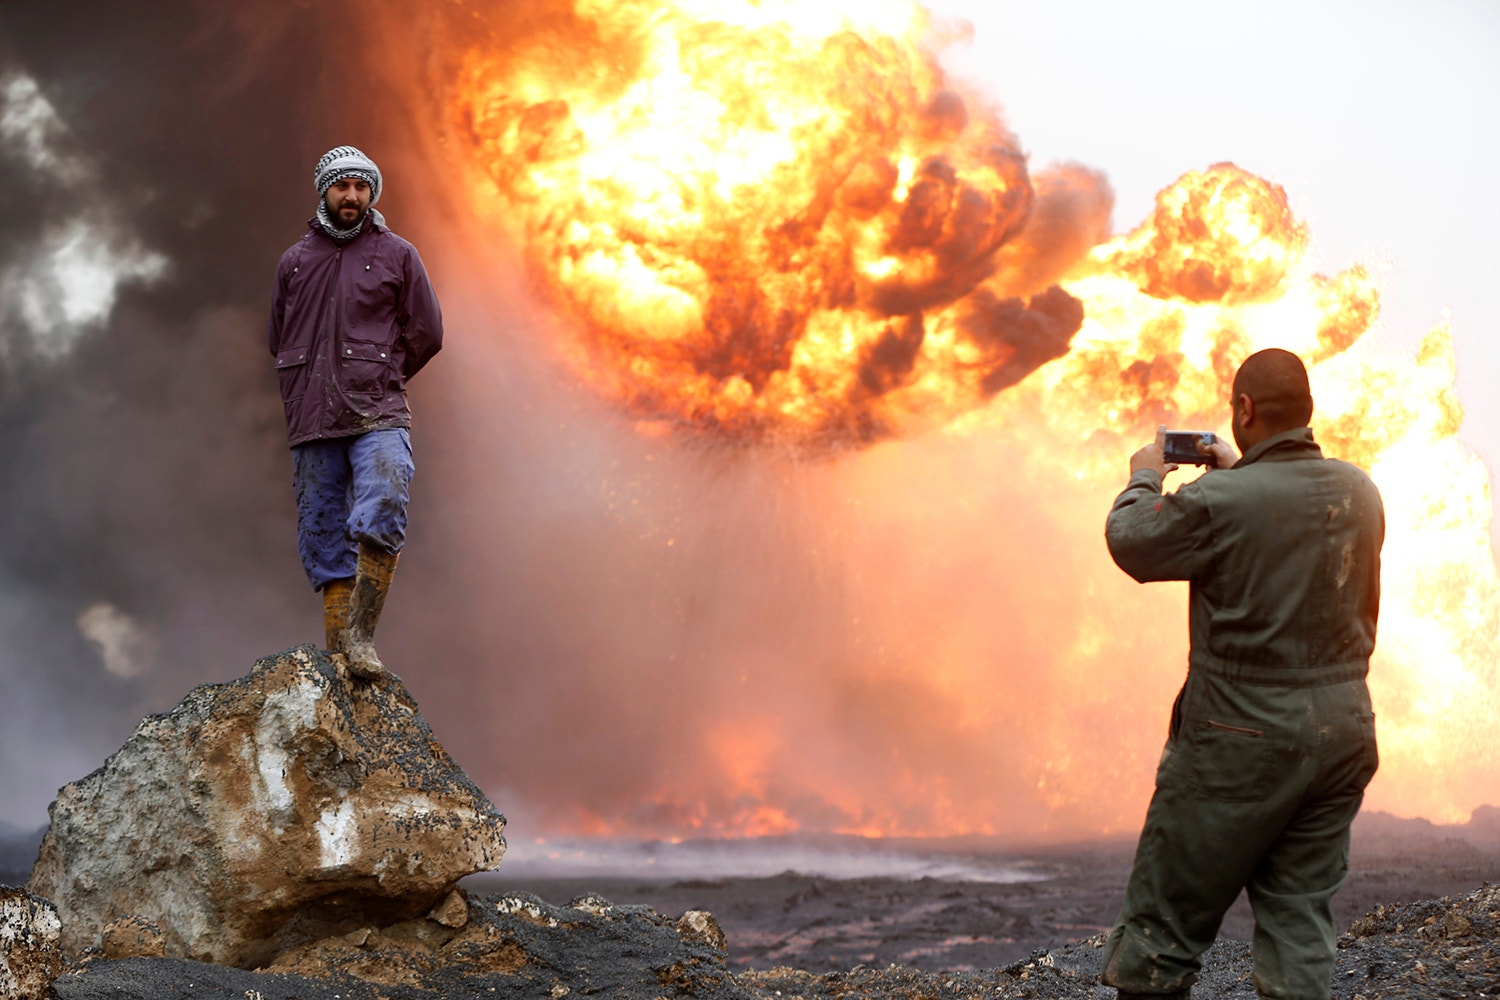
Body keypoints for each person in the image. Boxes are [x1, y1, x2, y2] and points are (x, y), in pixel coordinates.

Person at [1099, 349, 1383, 999]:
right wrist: (1242, 472)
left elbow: (1133, 540)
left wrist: (1144, 476)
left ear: (1245, 409)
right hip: (1343, 734)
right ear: (1306, 411)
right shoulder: (1360, 491)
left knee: (1162, 929)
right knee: (1298, 919)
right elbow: (1285, 520)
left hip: (1239, 738)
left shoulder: (1218, 501)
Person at [267, 145, 443, 681]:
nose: (352, 195)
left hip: (378, 411)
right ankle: (340, 658)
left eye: (362, 187)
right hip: (312, 415)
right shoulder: (295, 261)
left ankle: (361, 638)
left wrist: (381, 371)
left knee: (385, 497)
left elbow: (427, 331)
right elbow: (278, 337)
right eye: (342, 185)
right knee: (323, 534)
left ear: (373, 193)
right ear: (324, 190)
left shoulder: (398, 254)